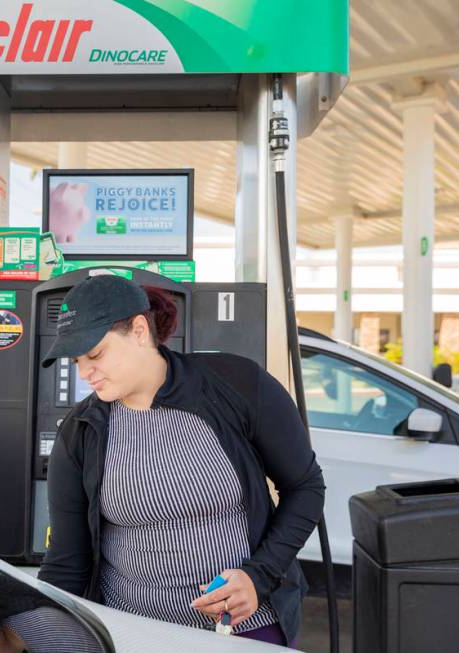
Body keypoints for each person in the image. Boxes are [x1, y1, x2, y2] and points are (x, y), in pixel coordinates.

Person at [37, 274, 325, 646]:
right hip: (133, 634)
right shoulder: (81, 432)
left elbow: (305, 487)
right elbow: (66, 562)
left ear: (139, 330)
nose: (84, 372)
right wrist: (31, 628)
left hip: (247, 629)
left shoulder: (234, 384)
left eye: (94, 354)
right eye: (76, 360)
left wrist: (258, 576)